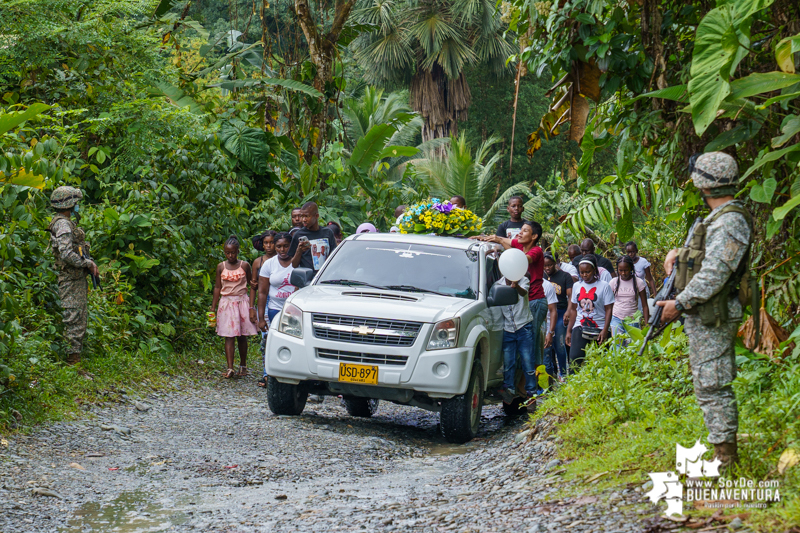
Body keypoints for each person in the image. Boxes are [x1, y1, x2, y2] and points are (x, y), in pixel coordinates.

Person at [656, 152, 752, 469]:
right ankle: (723, 453)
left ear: (704, 184)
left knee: (713, 385)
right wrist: (678, 254)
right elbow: (706, 259)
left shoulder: (730, 221)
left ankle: (726, 459)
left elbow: (715, 274)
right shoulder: (719, 220)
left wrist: (679, 304)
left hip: (713, 313)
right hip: (705, 313)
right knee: (707, 384)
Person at [478, 221, 547, 393]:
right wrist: (493, 239)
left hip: (534, 300)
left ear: (534, 236)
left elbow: (521, 260)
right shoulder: (518, 246)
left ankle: (531, 390)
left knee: (531, 349)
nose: (520, 233)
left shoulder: (535, 251)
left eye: (525, 231)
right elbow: (504, 240)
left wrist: (503, 249)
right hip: (519, 303)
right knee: (516, 354)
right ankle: (516, 388)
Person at [48, 186, 100, 365]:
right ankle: (73, 362)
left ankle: (74, 359)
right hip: (71, 278)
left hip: (74, 277)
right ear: (69, 204)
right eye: (76, 202)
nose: (78, 206)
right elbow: (66, 253)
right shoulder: (63, 224)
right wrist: (87, 263)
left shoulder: (64, 222)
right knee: (74, 318)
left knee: (77, 316)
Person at [210, 235, 258, 379]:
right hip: (226, 303)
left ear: (238, 251)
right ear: (224, 252)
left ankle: (243, 365)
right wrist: (213, 307)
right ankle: (230, 367)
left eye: (233, 252)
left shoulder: (244, 265)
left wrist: (251, 306)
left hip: (242, 302)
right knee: (229, 336)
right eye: (227, 252)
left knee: (242, 336)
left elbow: (252, 284)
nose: (230, 255)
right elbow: (218, 287)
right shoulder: (221, 267)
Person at [565, 255, 614, 371]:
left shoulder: (604, 286)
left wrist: (605, 330)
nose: (584, 275)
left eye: (587, 272)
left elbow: (609, 309)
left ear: (594, 270)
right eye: (581, 272)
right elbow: (573, 309)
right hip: (580, 326)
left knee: (602, 363)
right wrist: (569, 330)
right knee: (575, 360)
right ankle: (573, 387)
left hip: (600, 327)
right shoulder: (577, 286)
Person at [494, 275, 534, 402]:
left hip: (524, 326)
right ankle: (509, 389)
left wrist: (516, 286)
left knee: (527, 362)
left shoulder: (523, 280)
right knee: (508, 362)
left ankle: (531, 393)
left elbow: (524, 293)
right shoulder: (497, 285)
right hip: (508, 328)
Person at [249, 231, 277, 387]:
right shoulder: (258, 262)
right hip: (263, 302)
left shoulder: (283, 260)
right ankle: (266, 374)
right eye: (266, 243)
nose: (269, 246)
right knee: (266, 337)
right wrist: (251, 307)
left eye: (272, 242)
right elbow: (253, 286)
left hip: (278, 300)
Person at [543, 253, 573, 381]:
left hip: (560, 311)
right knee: (545, 344)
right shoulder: (542, 277)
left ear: (556, 263)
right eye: (545, 266)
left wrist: (568, 311)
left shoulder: (565, 276)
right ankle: (549, 373)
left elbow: (571, 295)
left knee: (559, 342)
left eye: (550, 265)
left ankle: (563, 372)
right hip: (545, 313)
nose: (547, 268)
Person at [289, 202, 338, 271]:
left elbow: (335, 257)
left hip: (325, 276)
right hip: (307, 278)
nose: (304, 220)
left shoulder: (327, 233)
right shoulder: (298, 235)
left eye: (307, 216)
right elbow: (294, 265)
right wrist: (299, 251)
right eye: (302, 216)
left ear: (316, 216)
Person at [608, 256, 649, 337]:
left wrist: (647, 325)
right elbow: (608, 305)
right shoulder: (613, 282)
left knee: (631, 345)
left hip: (632, 320)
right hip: (616, 318)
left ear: (631, 268)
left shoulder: (638, 282)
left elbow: (644, 305)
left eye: (626, 270)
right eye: (620, 270)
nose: (623, 273)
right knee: (617, 345)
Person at [540, 278, 559, 386]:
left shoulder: (546, 286)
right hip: (527, 329)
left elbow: (553, 311)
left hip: (545, 328)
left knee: (546, 359)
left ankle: (547, 388)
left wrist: (550, 332)